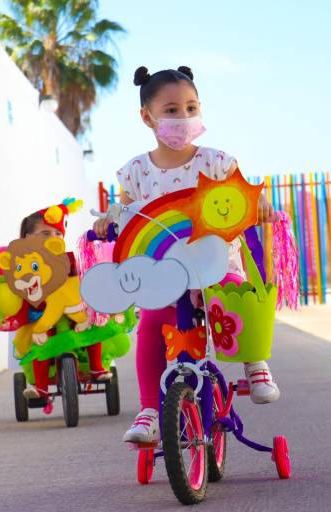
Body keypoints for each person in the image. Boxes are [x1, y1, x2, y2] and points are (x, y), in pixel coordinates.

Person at [92, 65, 279, 444]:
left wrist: (261, 204)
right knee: (149, 328)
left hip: (214, 266)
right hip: (162, 275)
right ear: (147, 117)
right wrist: (106, 222)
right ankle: (149, 410)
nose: (184, 117)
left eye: (191, 108)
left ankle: (254, 362)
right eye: (172, 110)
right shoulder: (136, 171)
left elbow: (246, 196)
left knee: (236, 298)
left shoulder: (216, 162)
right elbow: (124, 212)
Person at [18, 208, 112, 401]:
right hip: (44, 315)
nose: (53, 238)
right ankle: (41, 387)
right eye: (45, 233)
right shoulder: (25, 263)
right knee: (40, 340)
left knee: (92, 323)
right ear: (28, 238)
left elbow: (82, 277)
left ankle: (96, 367)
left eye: (58, 233)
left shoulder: (69, 258)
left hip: (72, 311)